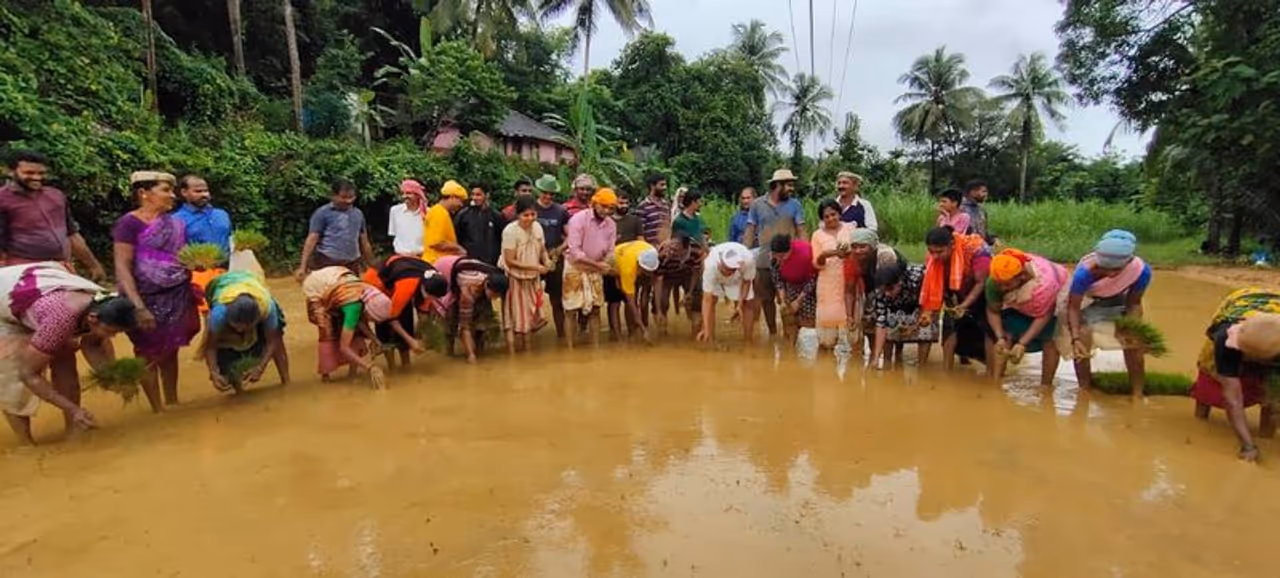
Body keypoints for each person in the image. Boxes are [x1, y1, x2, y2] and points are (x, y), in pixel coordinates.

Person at [0, 263, 137, 444]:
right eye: (111, 331)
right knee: (12, 373)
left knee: (65, 358)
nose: (112, 336)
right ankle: (26, 443)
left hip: (37, 285)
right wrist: (74, 409)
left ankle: (73, 428)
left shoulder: (104, 302)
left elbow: (92, 344)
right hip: (8, 301)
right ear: (92, 319)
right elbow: (28, 374)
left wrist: (114, 379)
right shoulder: (60, 320)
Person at [113, 171, 202, 411]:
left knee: (170, 347)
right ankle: (157, 408)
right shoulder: (128, 224)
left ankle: (172, 400)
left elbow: (181, 257)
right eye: (165, 190)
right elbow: (122, 265)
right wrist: (138, 306)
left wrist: (197, 263)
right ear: (144, 193)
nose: (171, 195)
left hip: (176, 293)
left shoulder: (176, 224)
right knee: (147, 351)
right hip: (144, 296)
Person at [1190, 289, 1280, 462]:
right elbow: (1232, 398)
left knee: (1272, 389)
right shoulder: (1225, 336)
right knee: (1211, 375)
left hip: (1273, 315)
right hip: (1240, 303)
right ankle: (1201, 421)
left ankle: (1266, 434)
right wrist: (1248, 446)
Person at [1063, 230, 1152, 398]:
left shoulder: (1140, 271)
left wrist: (1130, 326)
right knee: (1082, 338)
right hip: (1089, 302)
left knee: (1133, 344)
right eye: (1105, 269)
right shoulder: (1084, 272)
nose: (1111, 274)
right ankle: (1084, 389)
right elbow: (1073, 307)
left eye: (1116, 270)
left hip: (1119, 300)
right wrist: (1074, 338)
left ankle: (1138, 393)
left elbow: (1134, 303)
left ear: (1129, 262)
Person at [0, 150, 106, 279]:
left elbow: (72, 234)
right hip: (22, 272)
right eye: (29, 173)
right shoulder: (3, 199)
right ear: (10, 172)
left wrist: (93, 265)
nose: (37, 177)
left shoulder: (55, 196)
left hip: (60, 269)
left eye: (41, 173)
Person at [985, 248, 1069, 385]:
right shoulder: (995, 280)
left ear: (1022, 276)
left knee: (1051, 343)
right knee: (1005, 339)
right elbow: (993, 310)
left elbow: (1044, 315)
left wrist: (1022, 343)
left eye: (1006, 285)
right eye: (999, 285)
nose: (1002, 289)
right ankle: (996, 383)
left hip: (1049, 303)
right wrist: (999, 336)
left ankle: (1046, 387)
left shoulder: (1045, 285)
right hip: (1017, 305)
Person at [301, 266, 394, 386]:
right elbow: (343, 347)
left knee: (352, 330)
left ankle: (353, 373)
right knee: (327, 330)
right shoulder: (354, 308)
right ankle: (326, 376)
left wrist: (376, 340)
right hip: (317, 286)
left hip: (338, 277)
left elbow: (360, 321)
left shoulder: (370, 294)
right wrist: (369, 367)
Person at [199, 270, 290, 392]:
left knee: (277, 337)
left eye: (245, 327)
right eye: (236, 326)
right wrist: (214, 372)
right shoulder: (219, 314)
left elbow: (272, 340)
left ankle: (286, 380)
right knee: (227, 346)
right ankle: (237, 384)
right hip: (224, 286)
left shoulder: (267, 308)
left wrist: (260, 368)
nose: (240, 330)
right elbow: (210, 345)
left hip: (253, 285)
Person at [743, 169, 806, 338]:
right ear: (777, 185)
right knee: (766, 299)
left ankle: (789, 335)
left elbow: (801, 230)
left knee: (787, 299)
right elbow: (750, 229)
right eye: (789, 185)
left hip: (788, 260)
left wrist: (806, 254)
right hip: (764, 259)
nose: (792, 188)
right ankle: (772, 333)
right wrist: (744, 254)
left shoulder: (795, 204)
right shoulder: (757, 204)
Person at [920, 226, 994, 369]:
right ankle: (947, 371)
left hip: (981, 292)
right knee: (949, 326)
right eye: (931, 252)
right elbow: (935, 286)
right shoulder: (933, 259)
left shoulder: (977, 250)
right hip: (954, 290)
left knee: (988, 330)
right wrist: (929, 311)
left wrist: (964, 305)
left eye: (939, 252)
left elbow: (981, 282)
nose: (934, 257)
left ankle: (992, 376)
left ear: (952, 245)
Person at [562, 188, 618, 348]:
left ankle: (596, 347)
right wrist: (598, 265)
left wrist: (608, 263)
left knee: (595, 309)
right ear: (595, 204)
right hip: (575, 267)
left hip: (596, 268)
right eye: (604, 206)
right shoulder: (578, 220)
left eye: (611, 208)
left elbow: (610, 250)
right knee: (571, 310)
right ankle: (570, 349)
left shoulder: (611, 224)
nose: (607, 211)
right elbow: (575, 251)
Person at [361, 255, 438, 369]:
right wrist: (411, 340)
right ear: (424, 289)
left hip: (396, 281)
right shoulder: (408, 285)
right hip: (377, 285)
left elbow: (423, 314)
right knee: (384, 326)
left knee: (406, 321)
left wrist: (424, 334)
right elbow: (392, 319)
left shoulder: (433, 280)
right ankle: (391, 367)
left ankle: (406, 365)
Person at [294, 179, 375, 279]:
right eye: (344, 197)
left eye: (351, 197)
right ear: (333, 196)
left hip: (351, 263)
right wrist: (303, 266)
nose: (348, 201)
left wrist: (372, 263)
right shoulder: (322, 213)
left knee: (352, 291)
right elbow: (312, 239)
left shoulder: (358, 214)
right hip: (328, 262)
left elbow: (364, 241)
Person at [434, 255, 509, 363]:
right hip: (444, 271)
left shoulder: (494, 275)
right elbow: (464, 326)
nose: (496, 298)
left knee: (483, 320)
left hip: (464, 268)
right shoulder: (468, 290)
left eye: (498, 295)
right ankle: (450, 354)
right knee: (451, 319)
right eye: (494, 295)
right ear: (487, 285)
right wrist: (471, 355)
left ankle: (479, 348)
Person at [500, 196, 550, 353]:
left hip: (533, 277)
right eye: (525, 215)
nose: (530, 219)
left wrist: (546, 261)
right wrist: (535, 267)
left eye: (533, 215)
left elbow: (542, 249)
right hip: (515, 278)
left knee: (531, 317)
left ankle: (527, 353)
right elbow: (510, 261)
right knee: (514, 318)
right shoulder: (510, 231)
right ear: (518, 215)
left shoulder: (538, 228)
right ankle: (513, 355)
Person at [870, 260, 936, 369]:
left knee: (926, 327)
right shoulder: (881, 292)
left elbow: (931, 302)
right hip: (897, 305)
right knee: (889, 322)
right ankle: (887, 362)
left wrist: (915, 325)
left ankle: (922, 366)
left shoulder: (919, 277)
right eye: (883, 291)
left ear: (900, 282)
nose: (887, 294)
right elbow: (881, 323)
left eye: (890, 289)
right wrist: (876, 357)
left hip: (922, 302)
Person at [810, 200, 854, 348]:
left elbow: (861, 251)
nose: (830, 219)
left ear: (839, 213)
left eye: (833, 214)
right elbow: (816, 262)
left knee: (853, 332)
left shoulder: (850, 229)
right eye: (826, 217)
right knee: (827, 340)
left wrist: (848, 253)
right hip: (828, 284)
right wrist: (827, 254)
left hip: (850, 282)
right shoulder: (817, 235)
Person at [697, 242, 756, 344]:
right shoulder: (710, 266)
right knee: (712, 301)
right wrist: (705, 329)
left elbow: (747, 282)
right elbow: (706, 300)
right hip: (716, 276)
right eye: (726, 270)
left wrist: (740, 305)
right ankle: (709, 336)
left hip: (739, 277)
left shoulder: (748, 260)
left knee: (749, 303)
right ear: (720, 264)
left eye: (731, 271)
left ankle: (748, 340)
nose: (728, 273)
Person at [534, 174, 571, 339]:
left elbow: (570, 235)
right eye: (545, 193)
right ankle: (528, 335)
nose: (548, 196)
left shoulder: (561, 211)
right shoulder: (530, 209)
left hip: (555, 258)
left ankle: (562, 335)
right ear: (539, 191)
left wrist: (560, 249)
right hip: (533, 258)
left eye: (551, 194)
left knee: (557, 299)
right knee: (529, 297)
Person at [652, 233, 704, 336]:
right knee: (661, 301)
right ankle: (662, 331)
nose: (671, 251)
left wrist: (689, 292)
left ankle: (696, 333)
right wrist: (658, 309)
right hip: (667, 276)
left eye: (675, 249)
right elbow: (658, 281)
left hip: (688, 274)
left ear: (685, 249)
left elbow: (696, 272)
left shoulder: (695, 251)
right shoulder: (663, 254)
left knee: (696, 298)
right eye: (671, 247)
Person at [769, 234, 817, 342]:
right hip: (790, 286)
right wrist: (782, 299)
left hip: (808, 288)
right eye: (777, 256)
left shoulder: (806, 254)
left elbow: (813, 279)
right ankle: (790, 348)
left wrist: (799, 301)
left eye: (782, 256)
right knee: (788, 316)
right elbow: (778, 279)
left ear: (790, 250)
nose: (779, 259)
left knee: (810, 321)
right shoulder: (773, 258)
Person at [610, 239, 660, 341]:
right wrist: (643, 330)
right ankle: (619, 336)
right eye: (647, 271)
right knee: (616, 303)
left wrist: (658, 311)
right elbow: (631, 302)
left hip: (625, 253)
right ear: (640, 266)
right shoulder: (628, 269)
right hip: (612, 263)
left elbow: (656, 280)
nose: (649, 274)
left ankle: (635, 329)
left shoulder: (651, 251)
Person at [173, 174, 233, 257]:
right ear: (184, 192)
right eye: (198, 191)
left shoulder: (221, 215)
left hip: (228, 268)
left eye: (206, 191)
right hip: (195, 268)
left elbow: (231, 241)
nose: (204, 195)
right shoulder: (177, 220)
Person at [421, 180, 469, 265]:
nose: (461, 205)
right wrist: (458, 249)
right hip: (435, 263)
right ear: (452, 197)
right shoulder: (439, 213)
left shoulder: (440, 211)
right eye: (460, 201)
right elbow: (436, 243)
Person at [455, 186, 505, 265]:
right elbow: (458, 237)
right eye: (473, 194)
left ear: (487, 195)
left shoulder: (496, 216)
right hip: (470, 261)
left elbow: (502, 238)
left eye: (478, 195)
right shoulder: (463, 215)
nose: (474, 198)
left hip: (491, 262)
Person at [387, 179, 427, 257]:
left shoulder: (428, 213)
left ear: (417, 195)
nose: (404, 196)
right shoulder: (395, 211)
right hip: (400, 258)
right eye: (403, 193)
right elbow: (394, 235)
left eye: (408, 193)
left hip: (422, 257)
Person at [636, 172, 672, 246]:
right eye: (661, 185)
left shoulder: (666, 205)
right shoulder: (643, 206)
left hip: (665, 248)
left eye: (665, 185)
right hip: (650, 248)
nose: (665, 188)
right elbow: (639, 232)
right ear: (652, 186)